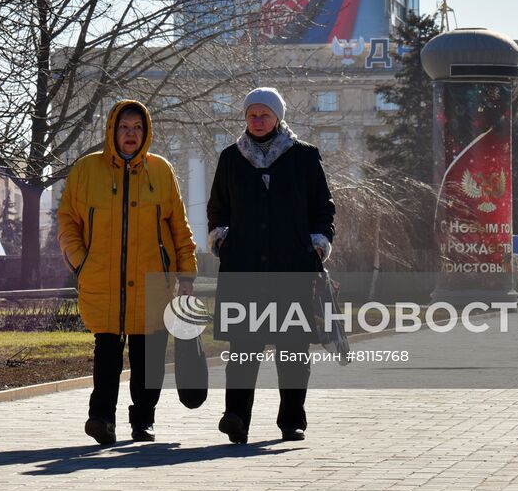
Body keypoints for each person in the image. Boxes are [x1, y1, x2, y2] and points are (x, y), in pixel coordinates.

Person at [57, 100, 197, 445]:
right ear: (111, 131)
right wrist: (81, 261)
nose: (130, 134)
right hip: (103, 278)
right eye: (124, 127)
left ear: (145, 132)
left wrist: (187, 275)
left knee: (147, 357)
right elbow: (67, 221)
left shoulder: (161, 171)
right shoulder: (87, 171)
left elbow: (180, 227)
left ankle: (143, 421)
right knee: (106, 352)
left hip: (153, 281)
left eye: (137, 127)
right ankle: (101, 418)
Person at [207, 87, 335, 445]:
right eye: (251, 115)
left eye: (264, 115)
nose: (257, 121)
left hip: (291, 268)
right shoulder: (231, 158)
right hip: (243, 268)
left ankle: (292, 420)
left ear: (278, 117)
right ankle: (236, 418)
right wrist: (222, 237)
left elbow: (324, 208)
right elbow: (217, 207)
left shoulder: (304, 157)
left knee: (293, 350)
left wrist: (317, 244)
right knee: (242, 349)